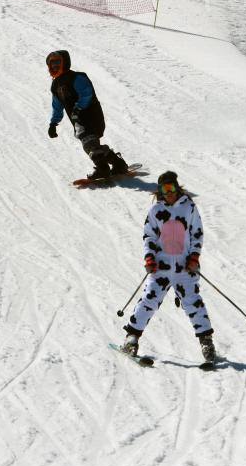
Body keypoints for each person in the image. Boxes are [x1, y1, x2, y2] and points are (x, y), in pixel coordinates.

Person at [121, 171, 216, 362]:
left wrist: (194, 257)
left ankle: (207, 343)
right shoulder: (155, 211)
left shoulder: (188, 208)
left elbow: (197, 234)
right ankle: (131, 339)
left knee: (193, 303)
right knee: (149, 300)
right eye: (165, 189)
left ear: (177, 187)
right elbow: (149, 236)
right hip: (161, 268)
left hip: (184, 268)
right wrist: (149, 258)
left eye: (172, 187)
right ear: (160, 191)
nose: (169, 192)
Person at [46, 50, 129, 179]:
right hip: (79, 120)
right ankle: (118, 164)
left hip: (91, 116)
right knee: (92, 145)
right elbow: (57, 106)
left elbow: (87, 94)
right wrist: (53, 123)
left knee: (89, 144)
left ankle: (103, 168)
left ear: (65, 62)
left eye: (57, 62)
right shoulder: (55, 85)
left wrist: (79, 108)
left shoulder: (76, 77)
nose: (54, 66)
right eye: (51, 64)